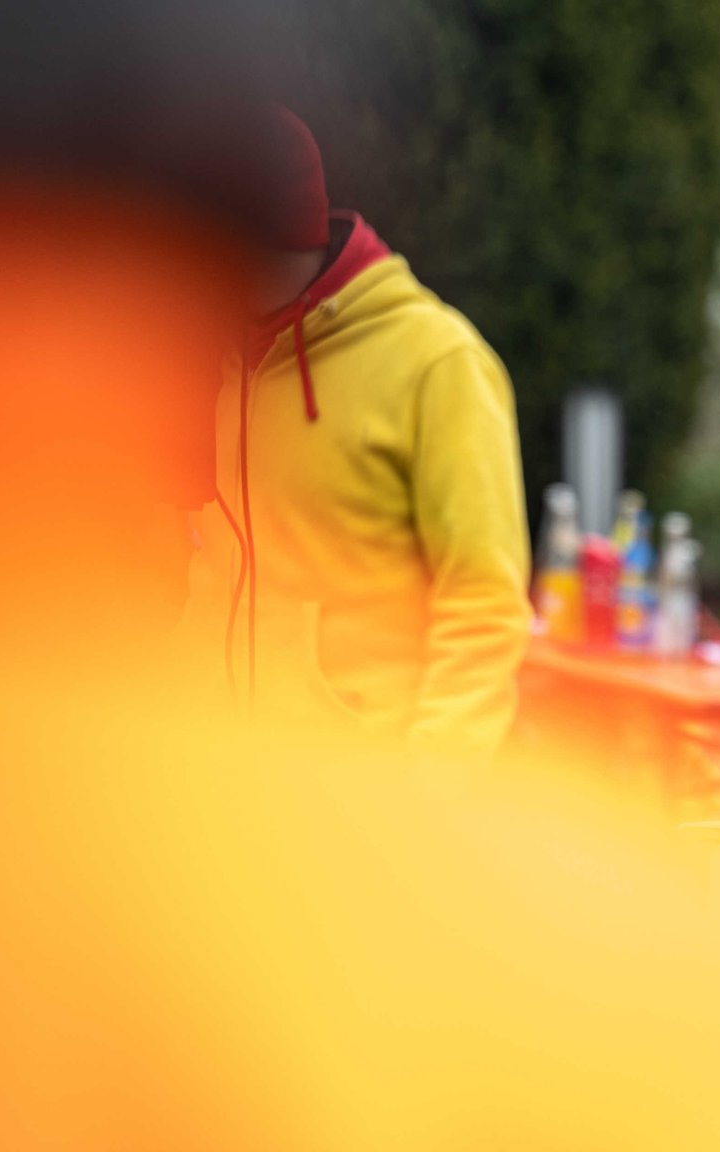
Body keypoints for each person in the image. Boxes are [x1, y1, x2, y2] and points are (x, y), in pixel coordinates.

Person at [186, 107, 532, 757]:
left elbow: (484, 610)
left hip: (366, 801)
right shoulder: (222, 362)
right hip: (217, 796)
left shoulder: (440, 362)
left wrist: (425, 801)